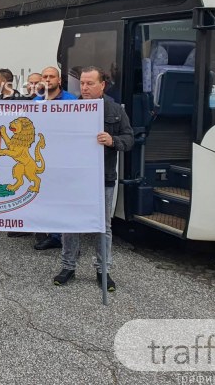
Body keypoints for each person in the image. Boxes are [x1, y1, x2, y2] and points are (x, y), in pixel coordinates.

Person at [53, 66, 133, 292]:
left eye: (89, 84)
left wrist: (112, 140)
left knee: (102, 226)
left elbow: (129, 139)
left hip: (102, 178)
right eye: (82, 84)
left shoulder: (115, 110)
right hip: (74, 178)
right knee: (70, 224)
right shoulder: (70, 110)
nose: (84, 88)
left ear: (102, 85)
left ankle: (103, 271)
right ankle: (68, 266)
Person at [34, 66, 78, 250]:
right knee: (47, 197)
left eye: (52, 76)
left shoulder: (72, 100)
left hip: (65, 157)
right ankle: (53, 235)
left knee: (64, 199)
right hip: (44, 156)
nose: (48, 79)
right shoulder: (36, 101)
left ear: (59, 80)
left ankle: (67, 239)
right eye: (45, 76)